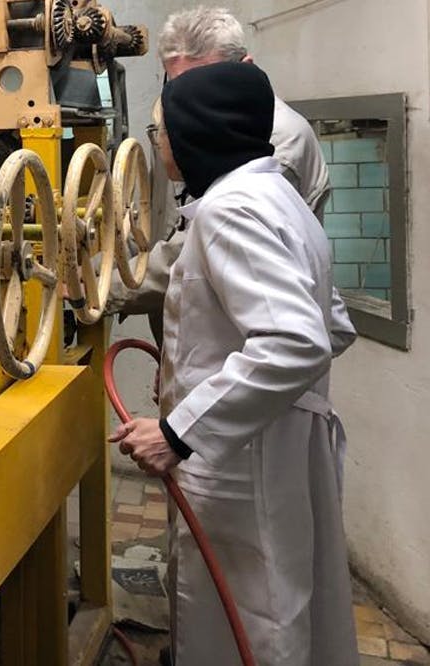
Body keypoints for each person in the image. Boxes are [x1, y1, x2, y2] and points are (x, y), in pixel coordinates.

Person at [109, 61, 358, 665]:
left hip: (243, 469)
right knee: (283, 604)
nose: (160, 146)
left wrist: (177, 432)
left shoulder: (230, 212)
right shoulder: (278, 197)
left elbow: (296, 340)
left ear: (199, 134)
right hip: (271, 447)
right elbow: (335, 325)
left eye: (162, 132)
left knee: (248, 617)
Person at [107, 6, 334, 324]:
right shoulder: (176, 125)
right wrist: (89, 268)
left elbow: (187, 253)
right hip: (188, 335)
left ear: (246, 69)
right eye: (175, 86)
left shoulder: (280, 143)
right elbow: (149, 222)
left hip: (235, 341)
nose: (186, 103)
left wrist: (101, 289)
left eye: (203, 82)